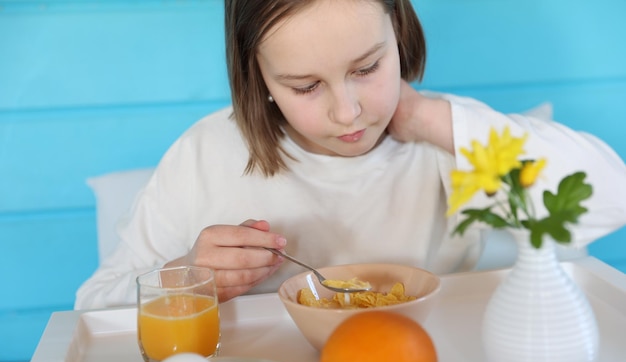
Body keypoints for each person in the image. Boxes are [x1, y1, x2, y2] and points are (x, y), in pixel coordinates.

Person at [75, 0, 626, 310]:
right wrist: (187, 279)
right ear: (259, 78)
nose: (349, 112)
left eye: (367, 69)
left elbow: (612, 201)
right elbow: (91, 307)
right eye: (305, 86)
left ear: (401, 33)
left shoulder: (447, 144)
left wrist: (430, 119)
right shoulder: (205, 154)